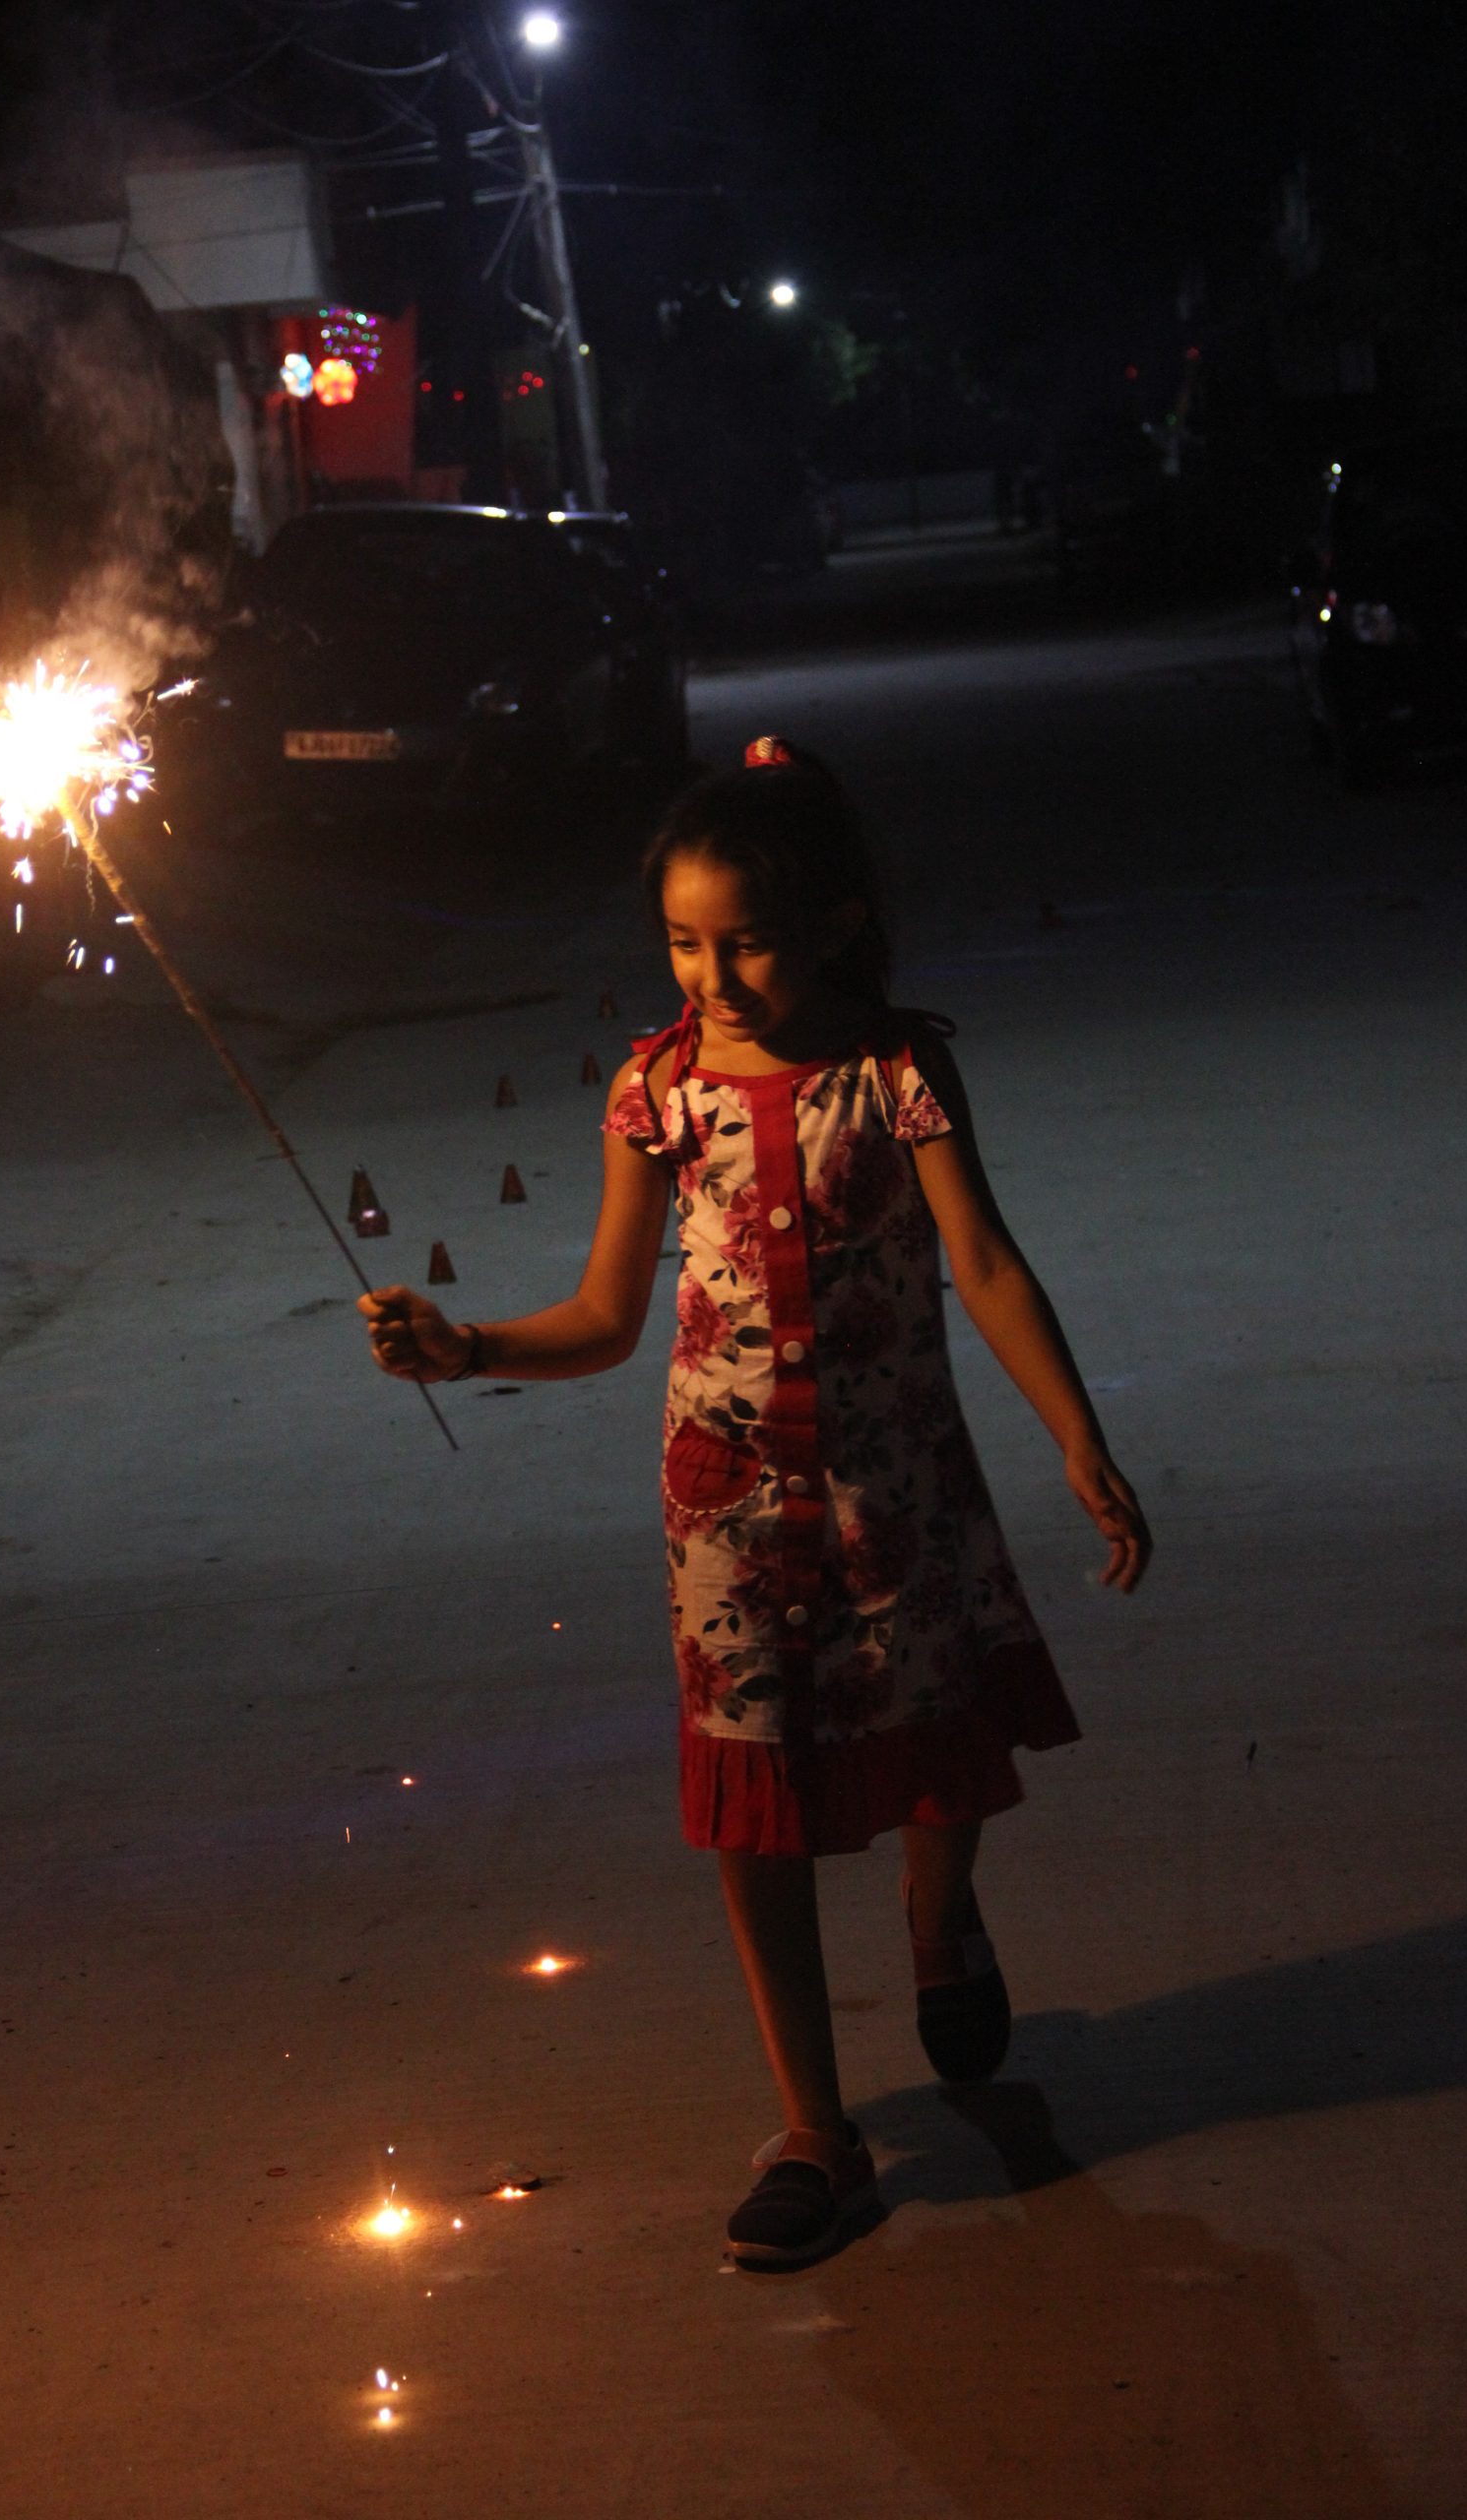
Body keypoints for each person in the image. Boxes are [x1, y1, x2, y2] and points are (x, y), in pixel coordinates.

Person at [360, 736, 1151, 2270]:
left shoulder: (901, 1073)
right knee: (754, 1807)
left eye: (748, 940)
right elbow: (602, 1317)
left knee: (941, 1758)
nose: (712, 976)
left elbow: (981, 1260)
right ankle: (817, 2132)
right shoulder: (654, 1092)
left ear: (843, 920)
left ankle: (939, 1925)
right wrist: (463, 1347)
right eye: (681, 942)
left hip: (898, 1482)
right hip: (723, 1504)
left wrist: (1077, 1430)